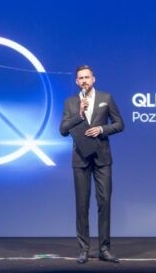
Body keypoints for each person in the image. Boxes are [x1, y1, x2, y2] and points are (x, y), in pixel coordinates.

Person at [60, 65, 124, 264]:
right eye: (81, 78)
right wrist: (79, 114)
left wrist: (101, 129)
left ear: (93, 79)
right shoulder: (70, 102)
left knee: (104, 203)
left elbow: (119, 124)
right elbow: (62, 130)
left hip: (102, 158)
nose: (84, 80)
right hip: (80, 159)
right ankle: (84, 249)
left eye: (87, 77)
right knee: (82, 205)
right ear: (77, 82)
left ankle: (104, 249)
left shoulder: (106, 98)